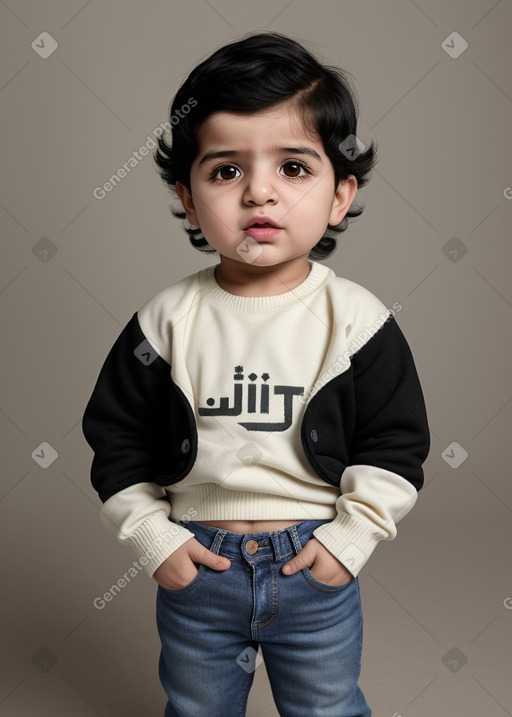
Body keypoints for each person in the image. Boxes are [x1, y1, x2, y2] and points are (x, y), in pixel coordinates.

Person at [82, 31, 430, 717]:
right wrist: (155, 539)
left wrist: (352, 536)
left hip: (315, 563)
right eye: (226, 171)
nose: (260, 193)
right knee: (198, 707)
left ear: (340, 194)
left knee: (327, 706)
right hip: (198, 566)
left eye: (294, 169)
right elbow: (115, 436)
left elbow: (395, 444)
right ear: (187, 197)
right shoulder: (166, 320)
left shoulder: (356, 320)